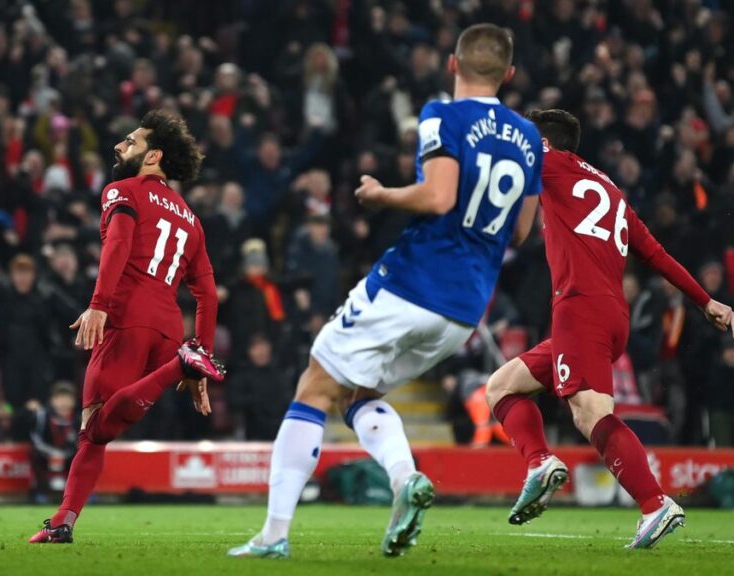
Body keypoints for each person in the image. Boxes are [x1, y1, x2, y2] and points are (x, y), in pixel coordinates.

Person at [229, 24, 543, 559]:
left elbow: (440, 197)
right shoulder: (530, 138)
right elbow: (519, 231)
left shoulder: (442, 115)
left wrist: (382, 194)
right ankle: (403, 481)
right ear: (509, 74)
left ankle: (273, 535)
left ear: (452, 64)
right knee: (360, 395)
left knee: (315, 385)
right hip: (466, 309)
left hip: (414, 280)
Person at [484, 109, 734, 549]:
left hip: (580, 310)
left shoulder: (546, 162)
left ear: (543, 141)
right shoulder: (610, 190)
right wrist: (706, 300)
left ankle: (653, 504)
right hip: (610, 315)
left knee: (592, 415)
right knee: (501, 387)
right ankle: (539, 463)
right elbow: (657, 254)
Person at [29, 110, 225, 544]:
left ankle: (178, 366)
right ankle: (63, 521)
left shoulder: (122, 190)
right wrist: (201, 357)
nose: (119, 146)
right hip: (169, 328)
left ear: (152, 155)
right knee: (97, 436)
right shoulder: (192, 219)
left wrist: (98, 305)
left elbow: (118, 244)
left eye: (130, 142)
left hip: (127, 315)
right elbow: (207, 295)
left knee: (94, 431)